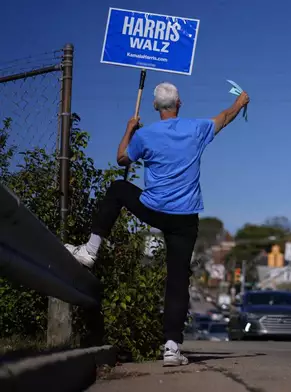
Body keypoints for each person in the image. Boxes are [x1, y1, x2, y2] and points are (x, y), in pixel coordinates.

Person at [64, 82, 249, 366]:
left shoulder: (145, 135)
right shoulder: (196, 129)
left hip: (153, 208)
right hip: (184, 218)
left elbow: (121, 158)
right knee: (177, 279)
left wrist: (129, 129)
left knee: (117, 189)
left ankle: (90, 250)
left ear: (154, 107)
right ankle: (172, 347)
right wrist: (240, 102)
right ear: (180, 104)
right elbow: (224, 117)